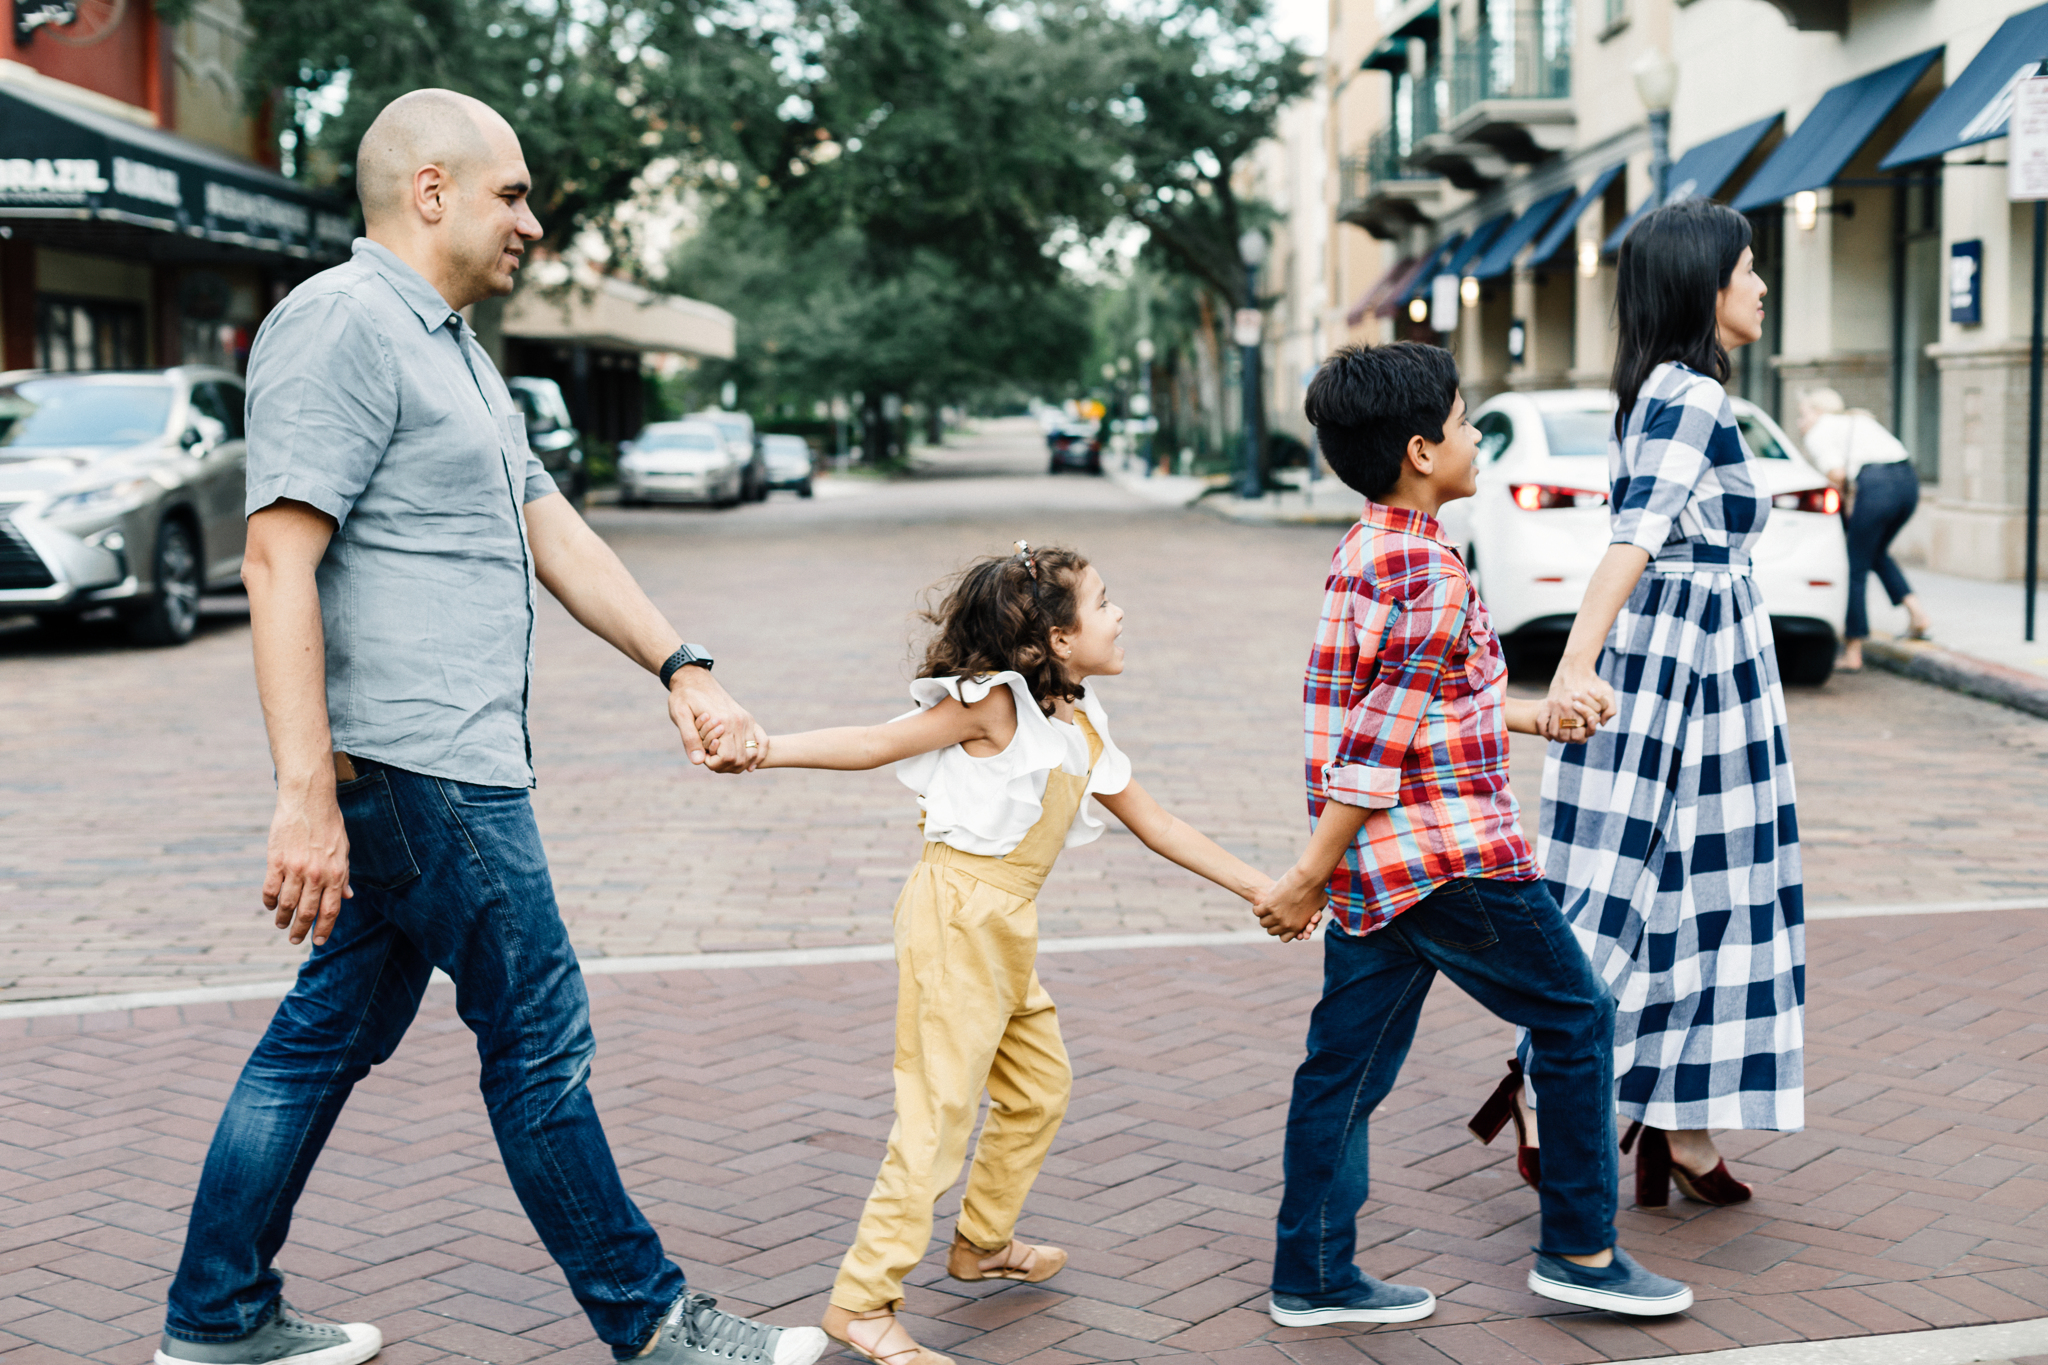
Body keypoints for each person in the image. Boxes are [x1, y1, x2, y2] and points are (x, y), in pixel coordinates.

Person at [156, 90, 828, 1365]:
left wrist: (679, 663)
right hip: (423, 770)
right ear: (429, 189)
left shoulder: (455, 349)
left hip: (440, 761)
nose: (530, 220)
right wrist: (305, 791)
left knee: (325, 1037)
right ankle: (655, 1323)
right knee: (538, 1036)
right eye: (510, 193)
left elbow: (547, 525)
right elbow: (272, 561)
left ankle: (217, 1315)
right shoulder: (341, 323)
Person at [754, 544, 1287, 1365]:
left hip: (1003, 927)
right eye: (1104, 602)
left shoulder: (1079, 720)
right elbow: (871, 741)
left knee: (1039, 1088)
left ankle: (979, 1242)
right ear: (1057, 639)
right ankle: (862, 1301)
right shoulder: (995, 707)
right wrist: (763, 747)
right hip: (957, 916)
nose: (1120, 614)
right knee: (937, 1114)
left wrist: (1265, 887)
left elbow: (1160, 824)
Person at [1254, 342, 1694, 1324]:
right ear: (1419, 450)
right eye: (1461, 423)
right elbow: (1375, 746)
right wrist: (1300, 877)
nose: (1474, 437)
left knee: (1343, 1072)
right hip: (1452, 862)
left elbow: (1423, 710)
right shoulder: (1432, 572)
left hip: (1383, 869)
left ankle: (1313, 1276)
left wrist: (1535, 714)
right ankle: (1579, 1250)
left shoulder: (1366, 551)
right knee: (1576, 1017)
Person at [1539, 198, 1805, 1210]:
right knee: (1644, 885)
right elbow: (1632, 536)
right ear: (1705, 284)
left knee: (1699, 890)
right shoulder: (1687, 392)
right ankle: (1540, 1081)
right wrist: (1573, 663)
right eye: (1747, 267)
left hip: (1705, 665)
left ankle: (1680, 1128)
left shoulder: (1665, 388)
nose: (1760, 283)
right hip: (1686, 670)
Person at [1797, 387, 1931, 671]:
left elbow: (1837, 474)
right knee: (1875, 552)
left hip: (1876, 488)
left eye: (1804, 414)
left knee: (1855, 565)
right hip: (1908, 483)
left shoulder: (1820, 430)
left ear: (1819, 412)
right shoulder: (1858, 420)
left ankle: (1853, 651)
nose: (1801, 422)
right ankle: (1917, 614)